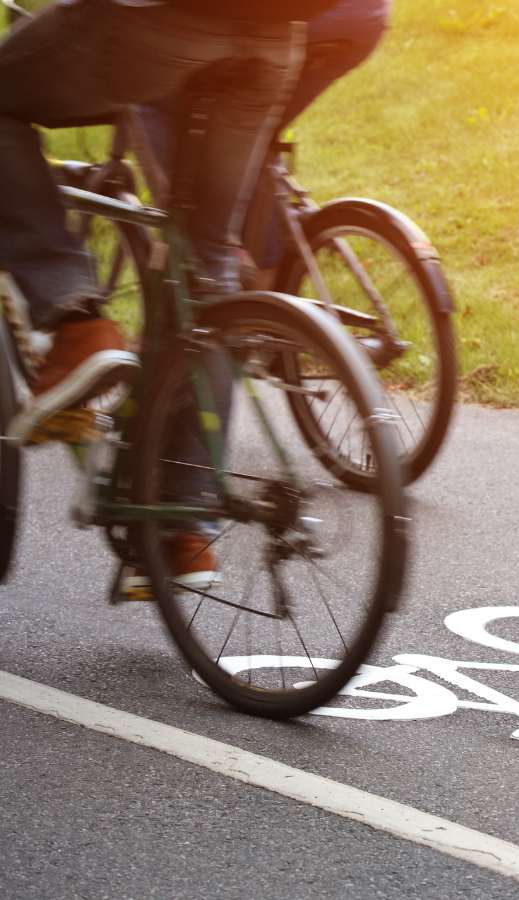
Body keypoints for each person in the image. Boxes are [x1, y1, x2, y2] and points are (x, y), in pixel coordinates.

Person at [0, 0, 338, 589]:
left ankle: (76, 319)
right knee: (203, 260)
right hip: (275, 38)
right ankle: (181, 523)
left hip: (155, 23)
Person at [137, 0, 392, 290]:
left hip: (284, 20)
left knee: (158, 103)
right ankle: (263, 264)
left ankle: (260, 284)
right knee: (248, 128)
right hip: (363, 15)